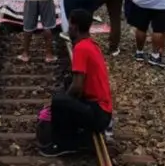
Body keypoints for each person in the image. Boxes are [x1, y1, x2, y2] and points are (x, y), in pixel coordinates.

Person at [40, 9, 113, 157]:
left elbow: (78, 86)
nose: (69, 27)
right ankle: (77, 133)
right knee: (67, 86)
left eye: (70, 24)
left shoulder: (81, 48)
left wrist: (61, 103)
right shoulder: (91, 44)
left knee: (59, 101)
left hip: (98, 114)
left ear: (75, 26)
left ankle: (64, 144)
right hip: (103, 110)